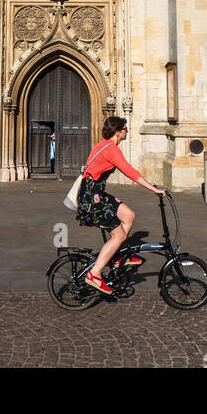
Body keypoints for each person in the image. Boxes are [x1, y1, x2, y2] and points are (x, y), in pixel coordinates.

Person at [76, 116, 164, 295]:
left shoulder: (102, 145)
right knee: (118, 235)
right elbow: (131, 172)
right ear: (118, 132)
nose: (127, 131)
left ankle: (116, 256)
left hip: (95, 192)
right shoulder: (111, 150)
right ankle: (95, 273)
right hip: (91, 197)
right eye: (125, 128)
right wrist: (154, 189)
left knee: (128, 215)